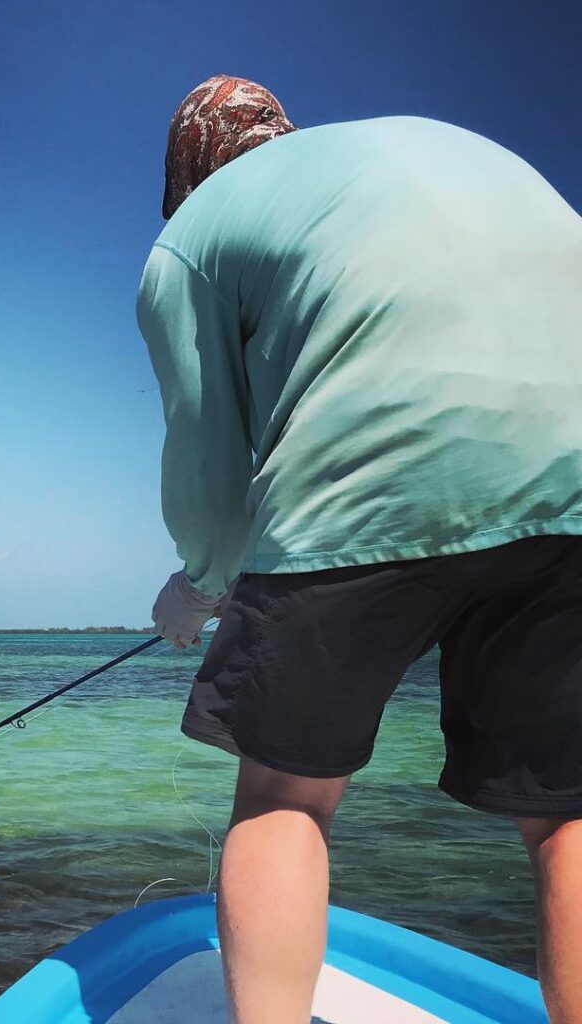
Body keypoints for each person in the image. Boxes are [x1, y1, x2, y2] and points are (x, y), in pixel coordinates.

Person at [138, 74, 582, 1024]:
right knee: (567, 809)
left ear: (186, 171)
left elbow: (207, 453)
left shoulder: (193, 234)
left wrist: (200, 584)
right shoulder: (433, 140)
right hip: (575, 480)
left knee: (285, 797)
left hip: (366, 466)